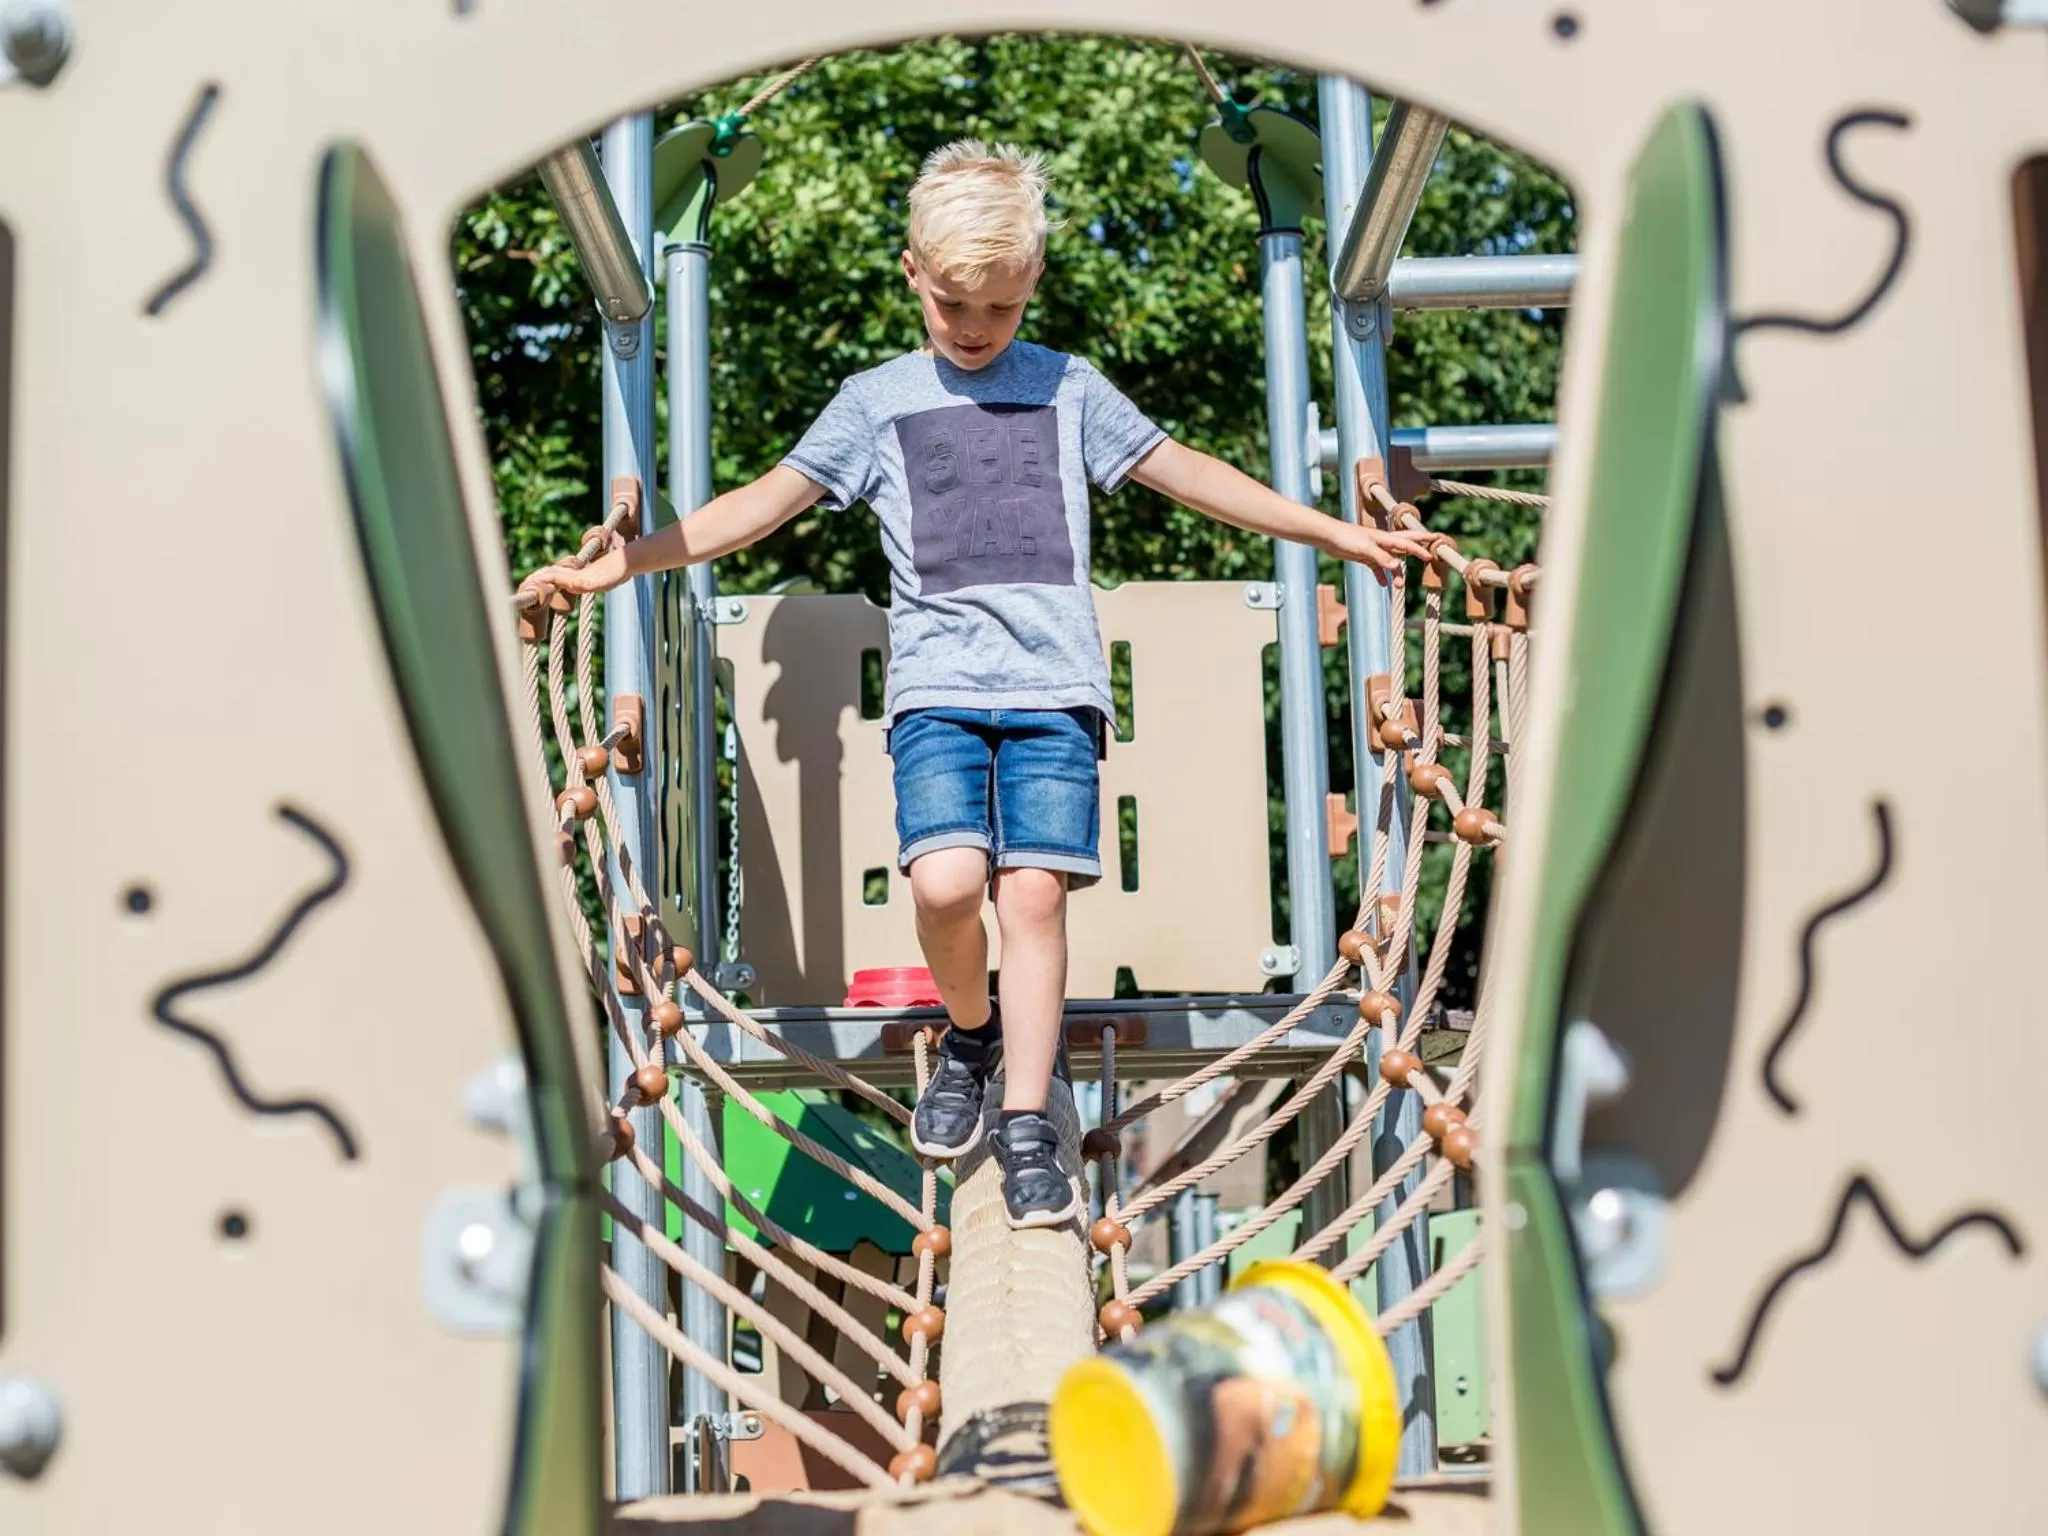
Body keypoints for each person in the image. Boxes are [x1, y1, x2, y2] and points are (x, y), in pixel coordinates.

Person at [520, 140, 1433, 1228]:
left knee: (1033, 896)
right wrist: (621, 561)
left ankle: (1026, 1121)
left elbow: (1191, 473)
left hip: (1054, 692)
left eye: (998, 307)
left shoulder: (1067, 387)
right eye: (955, 302)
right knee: (947, 886)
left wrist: (1334, 533)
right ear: (912, 272)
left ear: (1032, 283)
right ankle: (969, 1034)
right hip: (936, 694)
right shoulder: (877, 403)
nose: (973, 326)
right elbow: (761, 505)